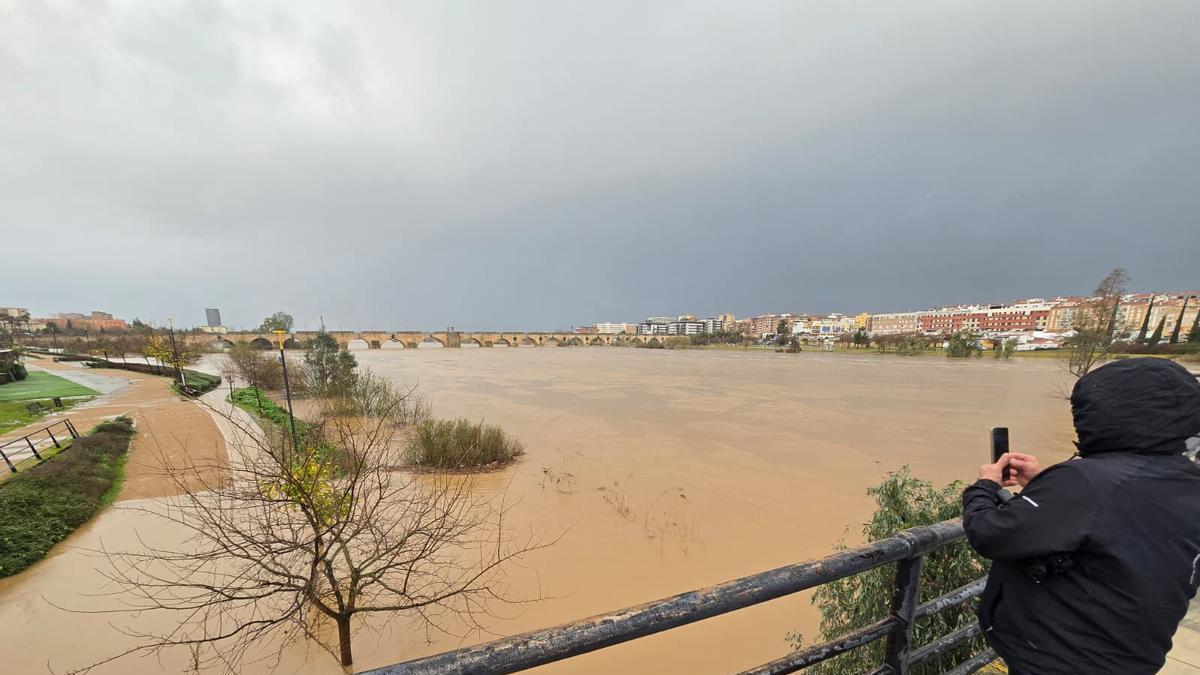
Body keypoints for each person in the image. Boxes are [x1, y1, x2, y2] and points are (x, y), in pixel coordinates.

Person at [963, 358, 1200, 674]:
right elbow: (1117, 519)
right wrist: (1045, 482)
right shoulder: (1185, 480)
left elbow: (991, 533)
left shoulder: (1084, 482)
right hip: (1133, 655)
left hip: (1060, 659)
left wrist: (983, 487)